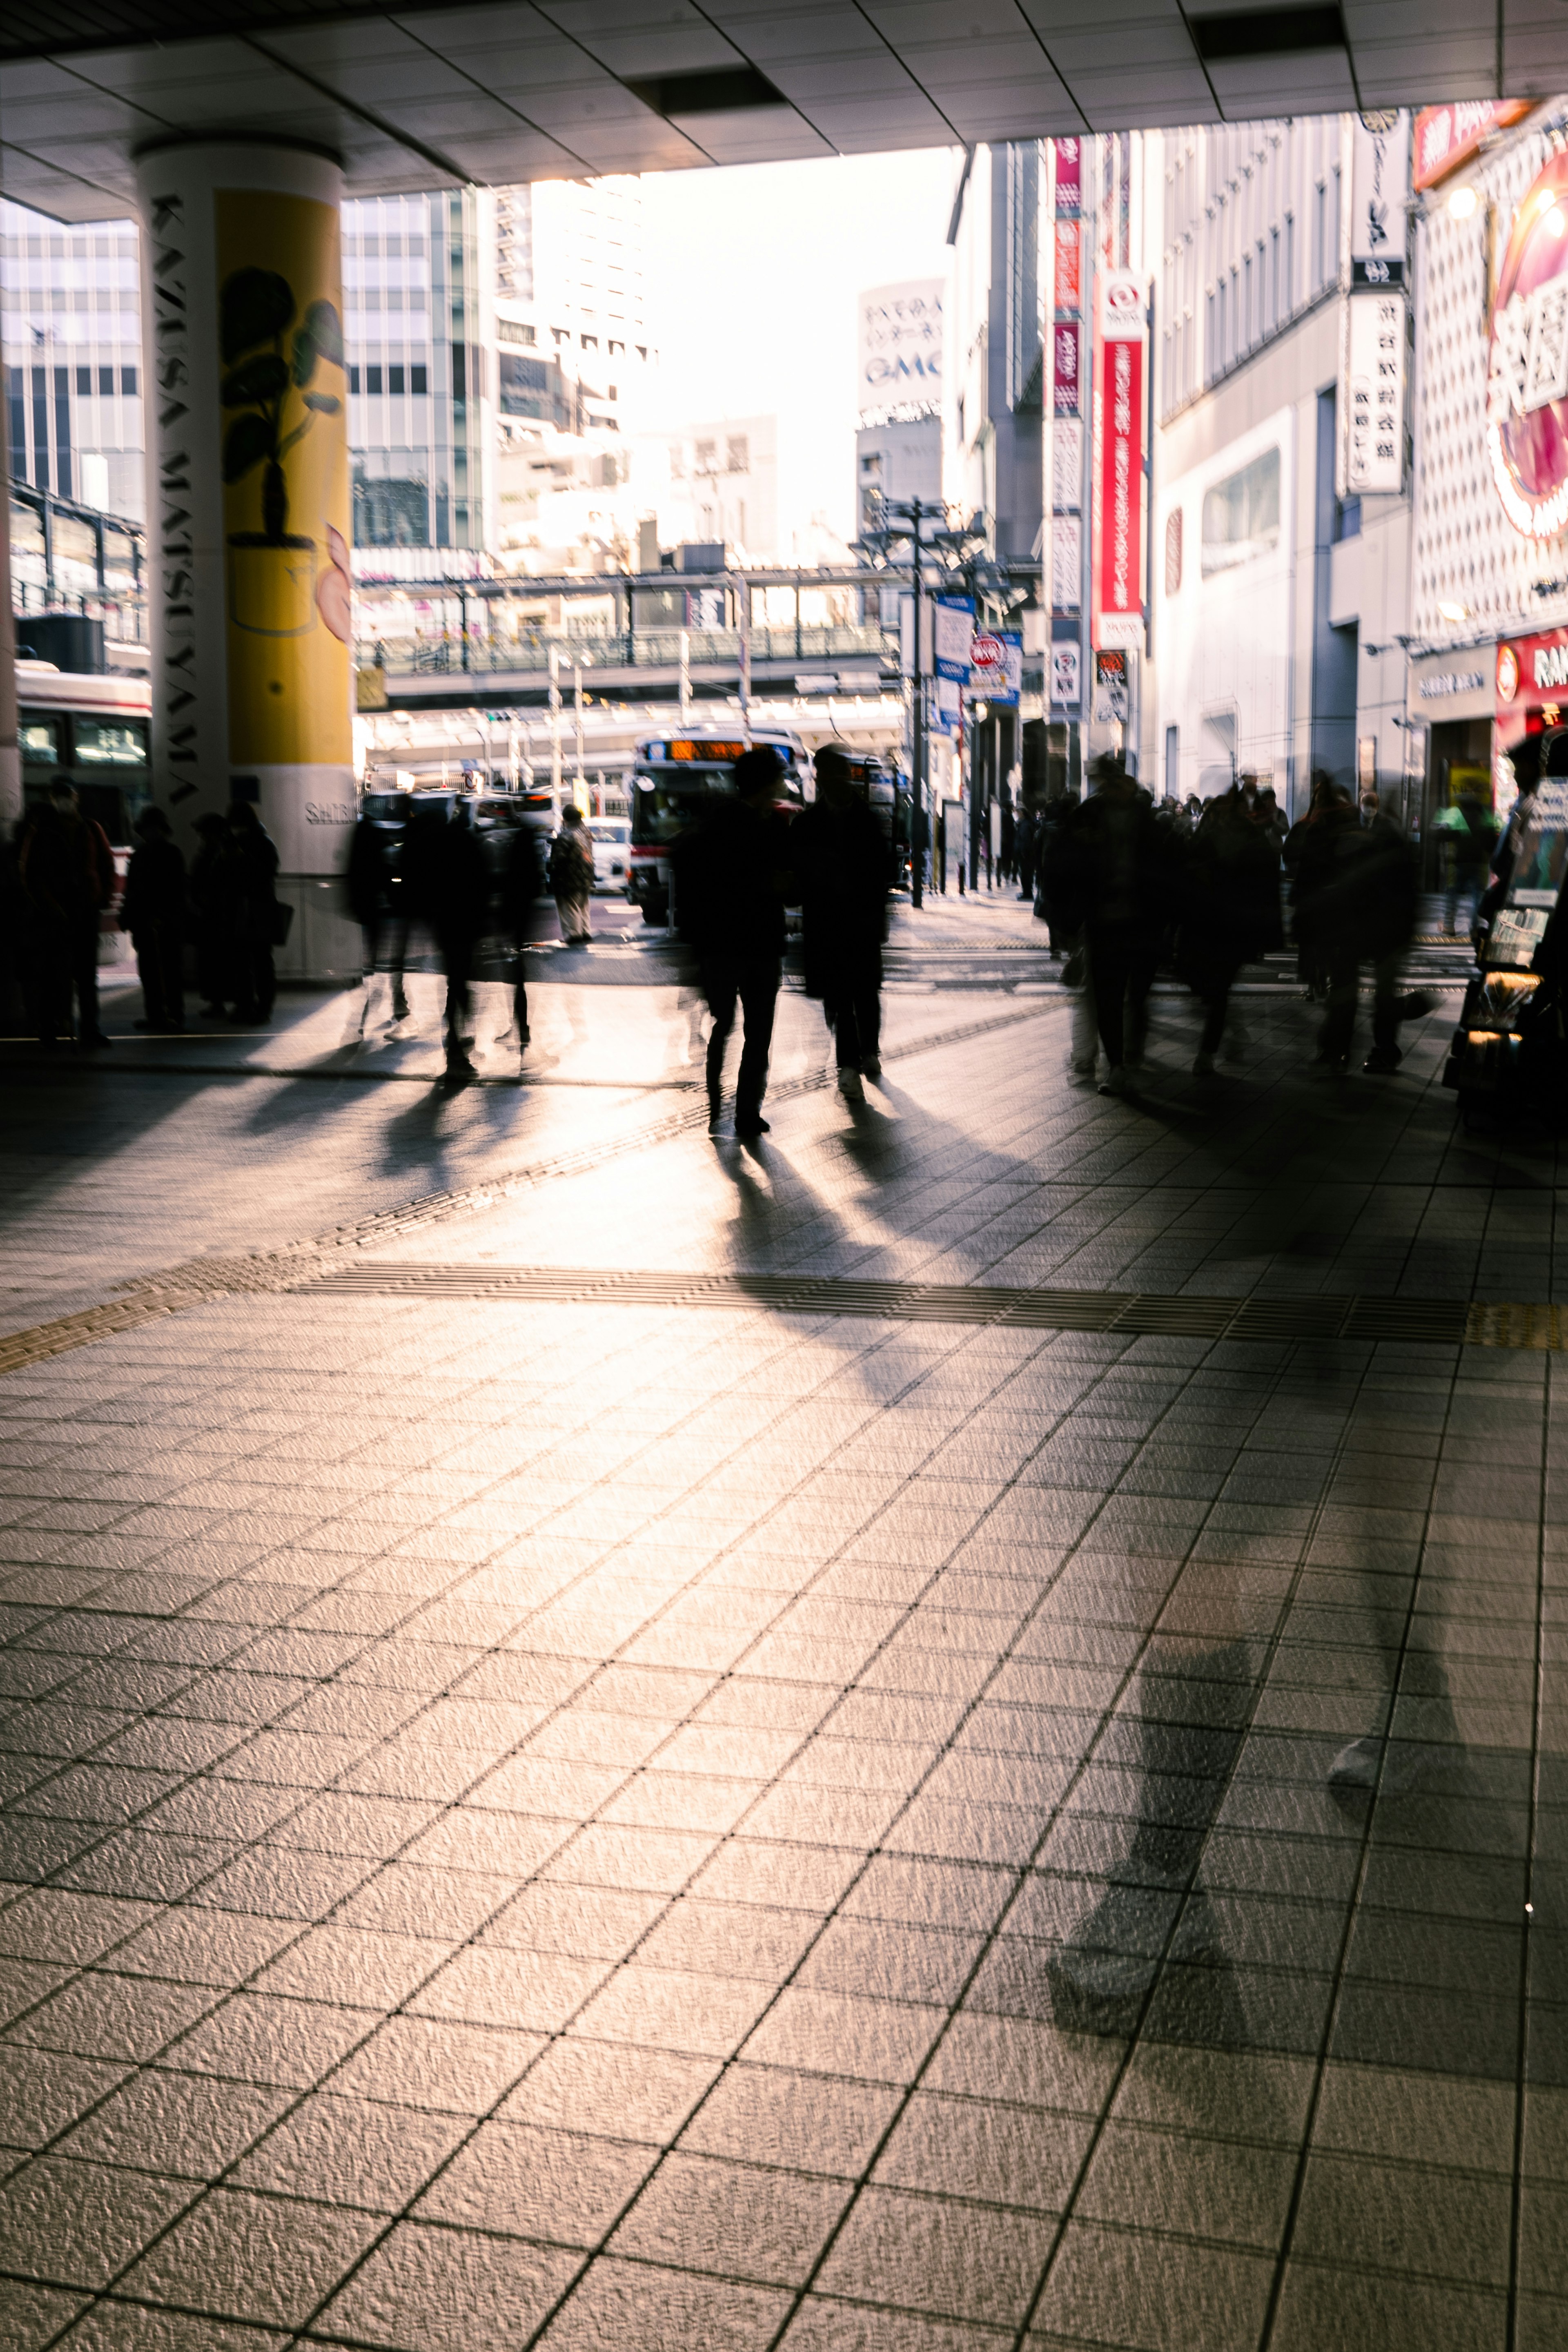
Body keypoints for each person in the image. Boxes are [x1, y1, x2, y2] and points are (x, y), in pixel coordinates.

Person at [673, 745, 792, 1137]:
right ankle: (746, 1113)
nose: (782, 784)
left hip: (718, 945)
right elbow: (782, 886)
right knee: (758, 1033)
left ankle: (714, 1110)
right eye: (778, 777)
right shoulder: (770, 828)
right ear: (766, 782)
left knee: (723, 1026)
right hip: (758, 945)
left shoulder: (711, 827)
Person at [1044, 754, 1169, 1095]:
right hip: (1105, 919)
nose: (1111, 788)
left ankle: (1125, 1057)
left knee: (1135, 993)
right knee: (1110, 994)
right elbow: (1064, 865)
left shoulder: (1139, 817)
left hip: (1139, 919)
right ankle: (1117, 1064)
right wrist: (1065, 914)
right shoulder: (1092, 814)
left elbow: (1164, 867)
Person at [793, 741, 892, 1104]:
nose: (834, 781)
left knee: (864, 995)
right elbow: (798, 877)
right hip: (828, 926)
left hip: (860, 924)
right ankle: (849, 1065)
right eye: (828, 775)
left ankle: (868, 1052)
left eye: (840, 774)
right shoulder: (807, 825)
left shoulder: (867, 821)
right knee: (839, 999)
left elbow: (882, 875)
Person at [1304, 788, 1420, 1072]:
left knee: (1353, 993)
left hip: (1369, 928)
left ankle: (1343, 1051)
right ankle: (1374, 1051)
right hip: (1372, 929)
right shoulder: (1385, 836)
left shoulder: (1364, 837)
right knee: (1367, 994)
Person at [1178, 787, 1282, 1074]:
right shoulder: (1248, 840)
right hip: (1229, 926)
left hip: (1216, 926)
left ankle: (1210, 1049)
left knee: (1217, 987)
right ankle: (1221, 1041)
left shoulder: (1216, 839)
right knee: (1217, 987)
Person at [17, 780, 116, 1048]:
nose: (64, 801)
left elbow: (107, 865)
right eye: (59, 796)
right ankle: (49, 1028)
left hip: (86, 911)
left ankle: (89, 1029)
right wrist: (49, 905)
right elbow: (31, 874)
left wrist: (102, 898)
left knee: (86, 976)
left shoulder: (92, 829)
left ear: (76, 798)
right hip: (55, 915)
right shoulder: (42, 832)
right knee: (53, 975)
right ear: (52, 799)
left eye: (67, 796)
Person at [423, 798, 490, 1083]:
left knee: (456, 983)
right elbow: (480, 884)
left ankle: (456, 1039)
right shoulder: (468, 841)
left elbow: (432, 885)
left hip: (446, 924)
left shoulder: (438, 844)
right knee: (462, 985)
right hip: (465, 924)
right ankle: (457, 1042)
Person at [118, 806, 186, 1032]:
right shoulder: (168, 854)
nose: (150, 833)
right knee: (154, 972)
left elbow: (175, 890)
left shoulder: (149, 856)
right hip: (152, 922)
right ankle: (161, 1015)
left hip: (158, 922)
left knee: (165, 972)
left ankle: (170, 1015)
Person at [345, 805, 409, 1027]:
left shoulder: (358, 840)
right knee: (389, 955)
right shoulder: (374, 839)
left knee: (371, 952)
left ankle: (371, 998)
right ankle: (394, 1002)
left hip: (364, 907)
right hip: (376, 907)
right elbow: (384, 872)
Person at [227, 800, 281, 1022]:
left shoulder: (261, 844)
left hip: (255, 910)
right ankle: (249, 1005)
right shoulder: (258, 843)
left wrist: (242, 859)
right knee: (253, 961)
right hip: (252, 910)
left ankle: (259, 1008)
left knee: (257, 962)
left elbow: (265, 873)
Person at [500, 816, 544, 1057]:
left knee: (515, 980)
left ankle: (520, 1027)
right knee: (520, 979)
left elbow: (509, 887)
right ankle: (522, 1027)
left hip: (514, 920)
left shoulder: (515, 846)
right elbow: (536, 887)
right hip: (526, 919)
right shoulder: (530, 849)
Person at [189, 812, 237, 1019]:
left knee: (215, 960)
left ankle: (219, 1002)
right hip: (217, 915)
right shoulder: (219, 852)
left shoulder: (216, 854)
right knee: (216, 960)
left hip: (216, 915)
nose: (202, 837)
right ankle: (220, 1002)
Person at [548, 804, 595, 945]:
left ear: (566, 820)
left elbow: (559, 860)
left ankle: (574, 934)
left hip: (569, 878)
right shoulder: (586, 833)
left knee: (569, 905)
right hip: (586, 876)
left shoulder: (566, 836)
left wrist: (554, 875)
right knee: (583, 905)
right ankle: (585, 930)